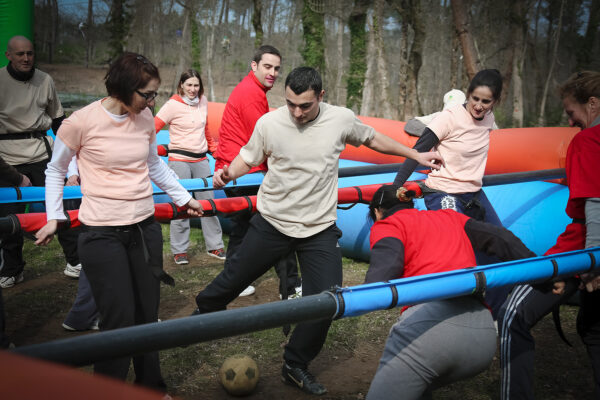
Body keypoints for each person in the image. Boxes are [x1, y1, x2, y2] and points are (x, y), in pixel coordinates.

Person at [193, 66, 443, 395]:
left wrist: (414, 154)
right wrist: (228, 173)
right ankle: (196, 320)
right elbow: (248, 157)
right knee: (233, 278)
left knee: (326, 301)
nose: (297, 112)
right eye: (291, 104)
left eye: (305, 106)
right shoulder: (270, 122)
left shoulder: (339, 119)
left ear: (321, 97)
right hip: (273, 222)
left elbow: (373, 138)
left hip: (318, 229)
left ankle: (295, 364)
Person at [34, 52, 203, 390]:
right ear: (124, 89)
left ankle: (150, 387)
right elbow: (55, 171)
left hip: (144, 230)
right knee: (119, 318)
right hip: (101, 234)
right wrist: (55, 215)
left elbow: (154, 166)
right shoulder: (80, 122)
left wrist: (184, 198)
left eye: (154, 94)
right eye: (147, 94)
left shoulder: (144, 118)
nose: (152, 101)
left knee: (146, 315)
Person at [364, 185, 536, 400]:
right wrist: (545, 277)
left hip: (429, 333)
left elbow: (384, 272)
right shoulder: (449, 216)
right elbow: (502, 239)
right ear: (410, 203)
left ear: (377, 212)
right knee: (417, 388)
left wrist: (359, 297)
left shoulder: (388, 224)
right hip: (482, 336)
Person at [498, 70, 600, 400]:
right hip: (586, 250)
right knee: (593, 328)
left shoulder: (588, 141)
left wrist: (593, 260)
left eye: (572, 112)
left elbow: (596, 203)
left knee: (513, 315)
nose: (570, 123)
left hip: (580, 251)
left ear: (593, 104)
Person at [393, 69, 508, 318]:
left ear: (495, 102)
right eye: (474, 98)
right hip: (444, 191)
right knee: (457, 246)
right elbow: (418, 150)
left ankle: (493, 317)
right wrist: (395, 187)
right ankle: (432, 310)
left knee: (502, 248)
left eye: (485, 101)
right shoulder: (449, 117)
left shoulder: (489, 119)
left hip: (474, 193)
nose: (478, 106)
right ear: (468, 94)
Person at [214, 45, 298, 299]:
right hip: (242, 170)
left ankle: (233, 281)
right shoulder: (251, 93)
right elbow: (263, 137)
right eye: (267, 67)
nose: (272, 73)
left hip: (237, 170)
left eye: (276, 69)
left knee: (243, 228)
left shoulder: (253, 90)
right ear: (254, 66)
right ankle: (291, 285)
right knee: (278, 224)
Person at [0, 35, 80, 287]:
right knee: (8, 216)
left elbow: (59, 122)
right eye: (20, 54)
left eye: (30, 53)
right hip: (7, 157)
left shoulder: (45, 80)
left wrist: (71, 163)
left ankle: (75, 260)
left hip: (42, 154)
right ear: (8, 55)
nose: (26, 58)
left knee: (62, 207)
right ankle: (12, 269)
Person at [155, 69, 226, 264]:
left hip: (202, 160)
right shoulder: (171, 105)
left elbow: (205, 129)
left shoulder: (203, 101)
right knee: (182, 204)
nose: (193, 89)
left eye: (196, 85)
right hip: (179, 161)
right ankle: (179, 251)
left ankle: (215, 246)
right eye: (189, 85)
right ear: (181, 86)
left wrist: (214, 150)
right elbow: (152, 128)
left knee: (208, 204)